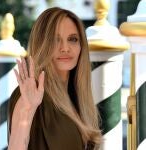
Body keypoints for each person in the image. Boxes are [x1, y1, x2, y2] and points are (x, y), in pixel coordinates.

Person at [8, 7, 102, 150]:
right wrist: (28, 109)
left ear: (81, 45)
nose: (65, 48)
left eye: (72, 39)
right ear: (42, 44)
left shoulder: (76, 97)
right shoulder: (29, 95)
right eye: (55, 40)